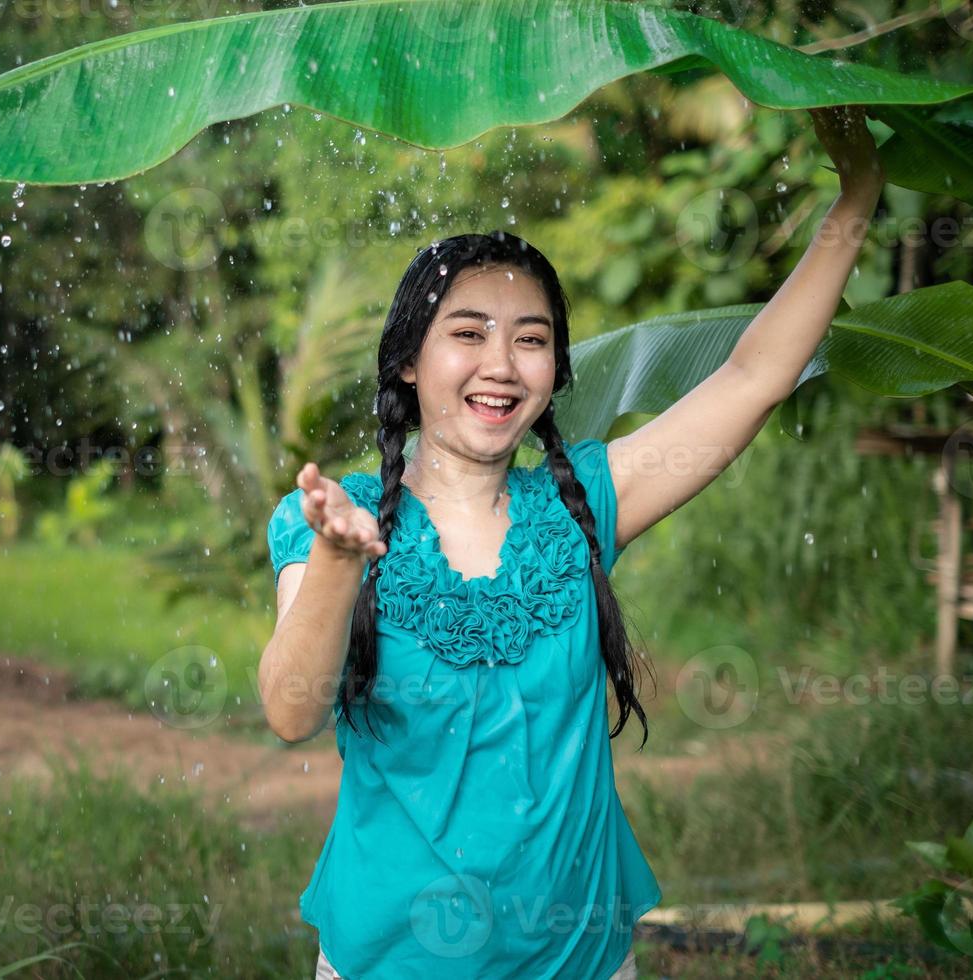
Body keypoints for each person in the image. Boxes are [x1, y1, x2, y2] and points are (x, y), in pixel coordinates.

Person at [259, 105, 885, 979]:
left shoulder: (585, 501)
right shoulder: (334, 517)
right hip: (390, 961)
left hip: (583, 961)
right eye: (468, 335)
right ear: (409, 360)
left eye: (533, 340)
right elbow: (291, 711)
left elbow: (752, 376)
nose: (502, 365)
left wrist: (856, 201)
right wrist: (334, 560)